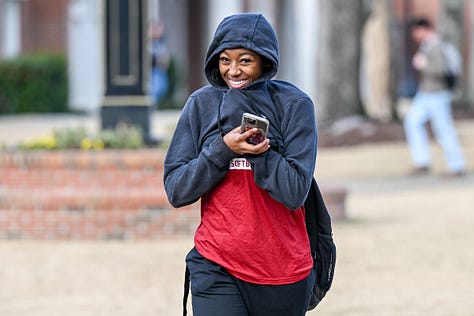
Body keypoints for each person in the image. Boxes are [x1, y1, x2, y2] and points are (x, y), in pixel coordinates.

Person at [164, 13, 317, 316]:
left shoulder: (295, 105)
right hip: (216, 262)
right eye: (224, 60)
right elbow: (177, 189)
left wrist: (258, 151)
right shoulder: (200, 104)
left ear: (264, 62)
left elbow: (295, 191)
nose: (233, 70)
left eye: (245, 60)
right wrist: (221, 150)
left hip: (282, 270)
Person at [404, 17, 466, 177]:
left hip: (437, 93)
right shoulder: (427, 45)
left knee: (443, 129)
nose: (414, 36)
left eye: (416, 31)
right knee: (412, 121)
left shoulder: (435, 45)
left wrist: (423, 65)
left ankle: (456, 165)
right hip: (426, 93)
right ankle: (422, 161)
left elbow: (439, 70)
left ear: (423, 29)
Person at [148, 21, 170, 107]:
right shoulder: (148, 44)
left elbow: (165, 61)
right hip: (152, 73)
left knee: (161, 88)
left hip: (160, 72)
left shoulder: (161, 44)